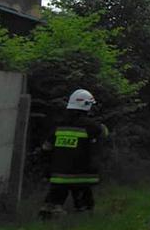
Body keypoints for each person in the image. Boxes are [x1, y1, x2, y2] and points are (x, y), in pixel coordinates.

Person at [39, 89, 107, 219]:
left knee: (50, 206)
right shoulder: (92, 127)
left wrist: (48, 167)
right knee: (85, 209)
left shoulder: (58, 125)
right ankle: (81, 215)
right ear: (87, 106)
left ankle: (49, 213)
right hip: (82, 175)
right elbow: (101, 138)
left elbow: (46, 148)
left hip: (58, 175)